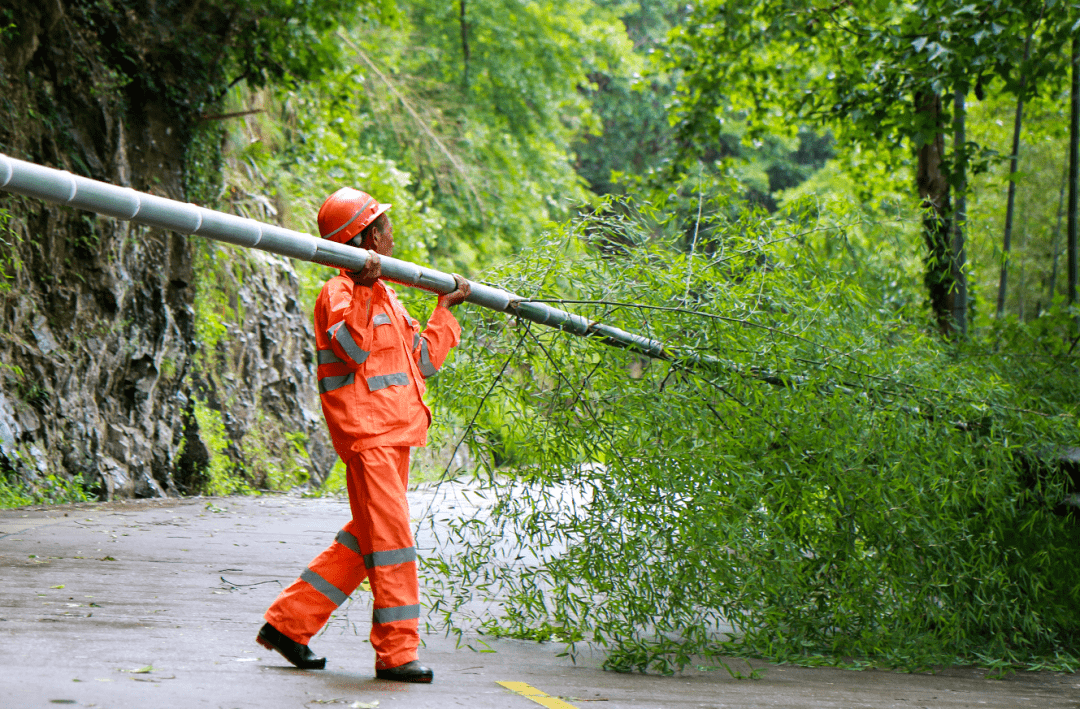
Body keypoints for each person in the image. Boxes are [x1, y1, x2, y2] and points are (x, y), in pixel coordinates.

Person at [256, 187, 470, 683]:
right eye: (385, 225)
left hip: (394, 435)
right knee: (392, 543)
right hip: (368, 436)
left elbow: (421, 362)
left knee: (366, 540)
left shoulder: (387, 293)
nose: (392, 233)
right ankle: (397, 654)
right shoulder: (341, 293)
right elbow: (351, 350)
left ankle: (288, 625)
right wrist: (368, 289)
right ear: (371, 237)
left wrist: (445, 310)